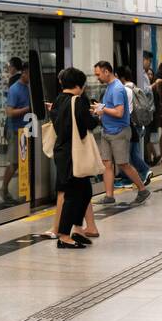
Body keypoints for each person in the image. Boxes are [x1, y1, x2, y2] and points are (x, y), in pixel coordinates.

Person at [50, 68, 99, 250]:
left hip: (63, 152)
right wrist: (97, 115)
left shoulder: (57, 101)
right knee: (72, 195)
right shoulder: (76, 101)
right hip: (73, 153)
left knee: (85, 191)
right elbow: (88, 123)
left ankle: (77, 230)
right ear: (79, 85)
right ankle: (64, 236)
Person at [92, 61, 149, 205]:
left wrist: (102, 109)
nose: (97, 78)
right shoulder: (109, 87)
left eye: (98, 74)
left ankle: (142, 190)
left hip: (119, 132)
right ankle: (109, 196)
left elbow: (119, 112)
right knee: (107, 164)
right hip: (107, 131)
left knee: (123, 164)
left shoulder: (117, 88)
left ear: (106, 71)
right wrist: (100, 109)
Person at [0, 58, 31, 204]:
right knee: (13, 163)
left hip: (25, 130)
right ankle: (3, 189)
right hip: (14, 130)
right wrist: (28, 109)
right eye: (29, 74)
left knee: (21, 163)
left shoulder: (28, 87)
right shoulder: (15, 89)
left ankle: (24, 192)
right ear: (24, 73)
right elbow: (10, 112)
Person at [116, 65, 152, 186]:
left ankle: (142, 171)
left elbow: (126, 111)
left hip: (131, 125)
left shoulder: (124, 90)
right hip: (138, 125)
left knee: (127, 155)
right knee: (132, 153)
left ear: (120, 77)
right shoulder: (134, 87)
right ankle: (140, 175)